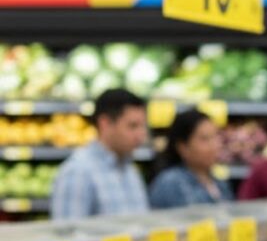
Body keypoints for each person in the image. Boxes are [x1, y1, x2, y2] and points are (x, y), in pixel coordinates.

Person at [51, 88, 149, 219]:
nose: (141, 135)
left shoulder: (130, 170)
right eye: (133, 126)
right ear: (105, 123)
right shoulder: (77, 172)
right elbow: (68, 229)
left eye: (143, 126)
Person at [149, 109, 234, 209]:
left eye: (216, 136)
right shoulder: (171, 183)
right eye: (205, 139)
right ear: (182, 147)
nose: (215, 145)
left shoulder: (220, 183)